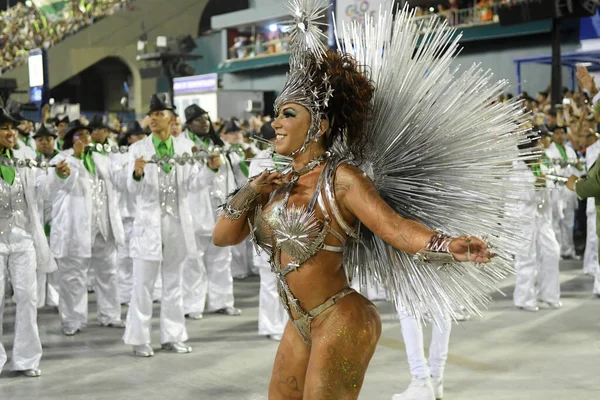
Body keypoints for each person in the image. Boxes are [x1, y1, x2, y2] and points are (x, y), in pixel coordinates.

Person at [212, 2, 497, 397]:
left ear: (320, 125)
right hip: (300, 320)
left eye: (288, 114)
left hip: (341, 316)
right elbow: (223, 238)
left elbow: (395, 228)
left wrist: (448, 245)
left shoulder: (342, 180)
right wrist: (249, 191)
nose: (275, 122)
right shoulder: (272, 183)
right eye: (276, 114)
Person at [122, 93, 221, 357]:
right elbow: (130, 189)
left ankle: (173, 335)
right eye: (151, 114)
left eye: (159, 114)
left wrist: (210, 171)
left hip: (176, 223)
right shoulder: (137, 150)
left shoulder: (184, 149)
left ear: (172, 119)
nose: (154, 119)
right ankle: (139, 339)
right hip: (148, 225)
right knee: (142, 285)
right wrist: (137, 174)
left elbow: (191, 185)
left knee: (173, 282)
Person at [0, 108, 71, 378]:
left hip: (23, 237)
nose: (10, 133)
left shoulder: (25, 157)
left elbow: (42, 192)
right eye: (4, 128)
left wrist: (58, 176)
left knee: (28, 298)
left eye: (13, 128)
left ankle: (27, 359)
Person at [51, 119, 126, 336]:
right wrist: (75, 158)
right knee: (74, 276)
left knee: (109, 272)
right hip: (74, 227)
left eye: (86, 133)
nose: (84, 137)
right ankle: (72, 320)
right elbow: (59, 186)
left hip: (103, 226)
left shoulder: (101, 159)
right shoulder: (61, 159)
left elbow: (119, 181)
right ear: (69, 139)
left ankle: (110, 315)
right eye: (78, 134)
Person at [182, 104, 241, 316]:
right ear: (189, 124)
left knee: (222, 259)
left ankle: (222, 301)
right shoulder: (184, 147)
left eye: (206, 118)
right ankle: (192, 305)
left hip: (220, 209)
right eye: (198, 120)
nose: (204, 122)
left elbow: (232, 172)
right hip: (196, 210)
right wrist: (209, 169)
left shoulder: (219, 143)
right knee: (194, 260)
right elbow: (190, 184)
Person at [247, 121, 288, 341]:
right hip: (266, 224)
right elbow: (254, 192)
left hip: (288, 224)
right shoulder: (258, 162)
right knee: (269, 278)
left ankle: (287, 323)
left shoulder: (292, 157)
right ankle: (271, 325)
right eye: (275, 139)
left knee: (287, 278)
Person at [511, 132, 561, 311]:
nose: (541, 148)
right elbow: (524, 196)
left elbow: (551, 193)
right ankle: (524, 298)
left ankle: (549, 295)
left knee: (552, 252)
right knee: (526, 257)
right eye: (537, 145)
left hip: (542, 218)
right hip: (523, 219)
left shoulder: (540, 166)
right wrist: (538, 185)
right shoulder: (517, 168)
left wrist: (547, 184)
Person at [115, 121, 148, 305]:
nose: (142, 138)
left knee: (143, 256)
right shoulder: (120, 157)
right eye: (137, 136)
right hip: (125, 213)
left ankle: (144, 292)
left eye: (143, 135)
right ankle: (125, 294)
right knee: (125, 257)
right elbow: (119, 182)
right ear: (129, 139)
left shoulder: (149, 155)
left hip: (142, 214)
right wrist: (133, 170)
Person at [33, 124, 61, 310]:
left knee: (57, 262)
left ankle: (55, 299)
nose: (44, 143)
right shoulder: (30, 161)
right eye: (40, 139)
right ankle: (37, 300)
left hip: (57, 217)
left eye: (48, 139)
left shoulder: (62, 160)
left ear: (54, 140)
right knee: (36, 262)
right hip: (37, 218)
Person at [545, 125, 581, 259]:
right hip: (556, 187)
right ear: (553, 135)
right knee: (555, 220)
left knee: (569, 221)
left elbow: (578, 169)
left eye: (562, 133)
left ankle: (569, 250)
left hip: (569, 187)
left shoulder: (570, 150)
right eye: (557, 133)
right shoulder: (548, 151)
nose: (560, 135)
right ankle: (557, 250)